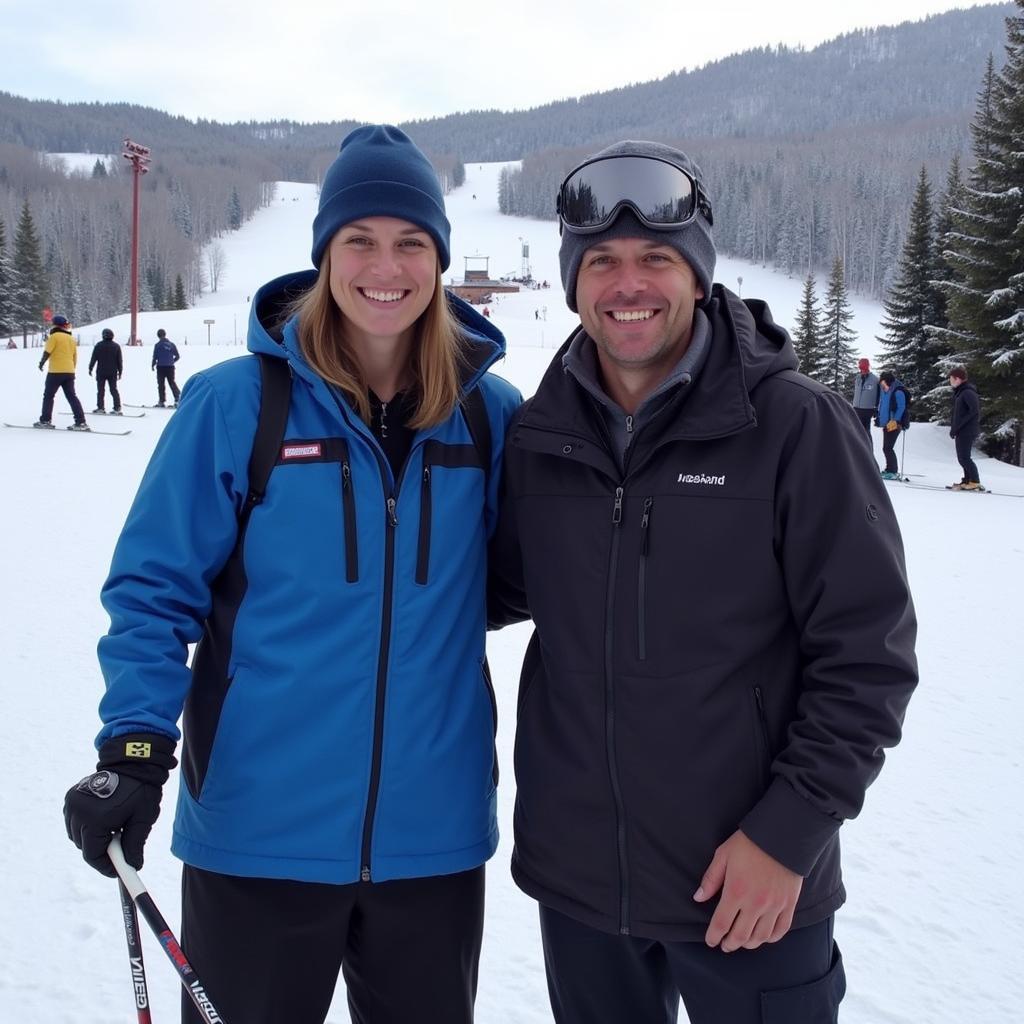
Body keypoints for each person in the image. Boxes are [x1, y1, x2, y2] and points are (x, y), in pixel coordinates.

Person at [63, 124, 520, 1024]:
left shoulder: (490, 417)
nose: (383, 266)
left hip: (432, 845)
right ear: (323, 254)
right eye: (359, 240)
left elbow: (533, 576)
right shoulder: (238, 405)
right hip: (255, 838)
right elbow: (155, 592)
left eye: (410, 243)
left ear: (437, 259)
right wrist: (135, 746)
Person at [488, 140, 918, 1024]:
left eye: (656, 259)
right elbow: (491, 588)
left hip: (747, 886)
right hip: (581, 886)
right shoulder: (541, 433)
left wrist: (787, 836)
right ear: (573, 281)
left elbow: (869, 656)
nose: (627, 285)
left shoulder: (794, 426)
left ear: (699, 273)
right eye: (601, 262)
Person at [34, 315, 88, 430]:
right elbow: (75, 357)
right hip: (69, 372)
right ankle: (81, 422)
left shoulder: (54, 337)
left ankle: (45, 420)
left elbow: (47, 352)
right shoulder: (71, 339)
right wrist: (71, 370)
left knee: (48, 396)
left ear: (55, 325)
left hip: (55, 372)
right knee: (72, 396)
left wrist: (41, 363)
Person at [947, 365, 982, 490]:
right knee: (962, 457)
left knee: (964, 457)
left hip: (967, 430)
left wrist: (959, 425)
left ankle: (975, 481)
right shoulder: (961, 392)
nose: (950, 381)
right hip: (961, 429)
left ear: (958, 379)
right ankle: (967, 480)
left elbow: (974, 410)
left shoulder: (967, 392)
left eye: (951, 379)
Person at [876, 370, 908, 480]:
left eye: (883, 383)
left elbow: (901, 407)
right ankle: (889, 468)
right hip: (886, 423)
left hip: (894, 424)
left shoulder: (898, 392)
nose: (882, 385)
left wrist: (895, 420)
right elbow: (883, 405)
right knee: (886, 447)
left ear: (888, 382)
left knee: (888, 447)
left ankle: (892, 470)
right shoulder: (885, 391)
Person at [88, 327, 124, 414]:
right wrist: (120, 371)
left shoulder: (98, 345)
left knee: (100, 390)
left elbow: (94, 358)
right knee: (113, 389)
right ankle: (117, 407)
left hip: (101, 371)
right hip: (113, 372)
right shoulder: (116, 346)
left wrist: (90, 368)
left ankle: (100, 407)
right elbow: (119, 360)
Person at [151, 328, 181, 406]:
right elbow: (177, 356)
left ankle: (161, 401)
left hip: (160, 367)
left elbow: (155, 357)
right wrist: (172, 361)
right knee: (172, 382)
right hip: (170, 367)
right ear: (165, 334)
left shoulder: (157, 345)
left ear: (158, 336)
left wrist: (153, 365)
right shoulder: (171, 344)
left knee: (161, 384)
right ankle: (178, 398)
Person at [851, 356, 879, 439]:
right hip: (856, 408)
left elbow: (879, 395)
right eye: (861, 368)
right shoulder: (858, 378)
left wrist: (876, 408)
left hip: (868, 409)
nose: (862, 370)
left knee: (866, 432)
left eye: (863, 368)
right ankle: (857, 450)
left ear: (867, 367)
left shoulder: (875, 380)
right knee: (856, 431)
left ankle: (869, 450)